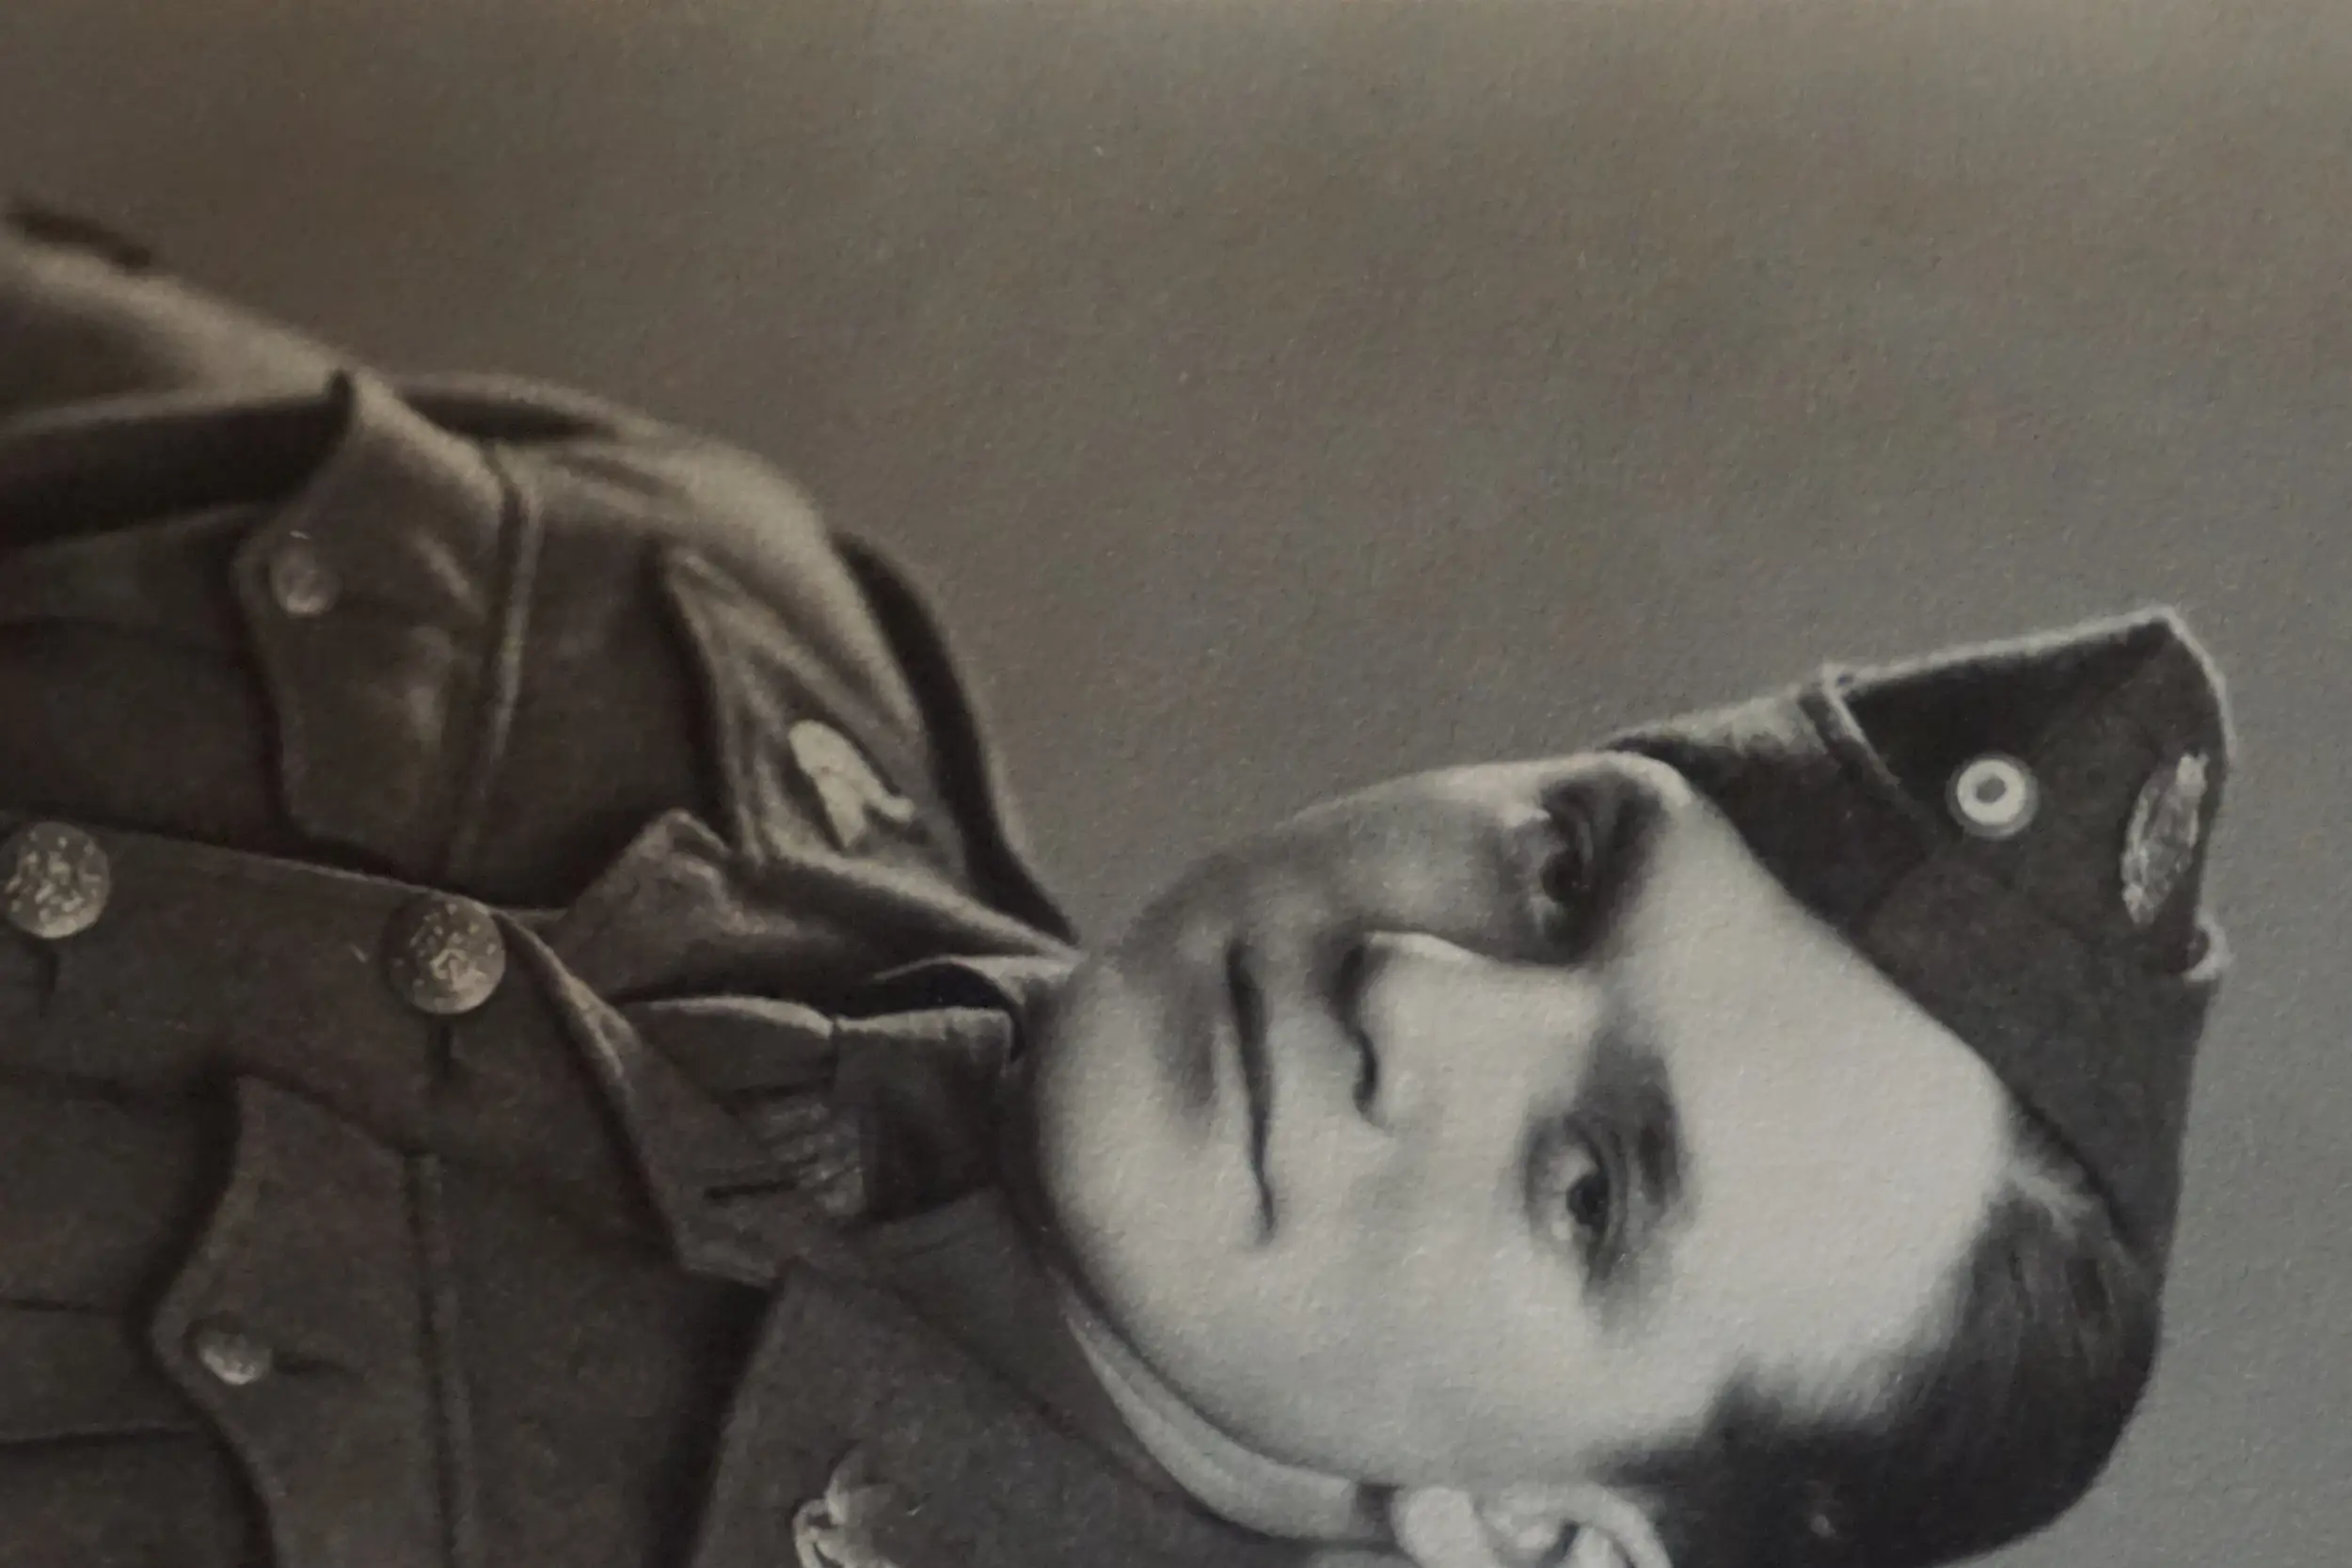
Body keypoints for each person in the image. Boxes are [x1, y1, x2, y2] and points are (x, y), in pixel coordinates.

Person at [0, 205, 2233, 1568]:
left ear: (1538, 1530)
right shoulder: (681, 600)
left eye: (1586, 1181)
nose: (1414, 986)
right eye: (1560, 866)